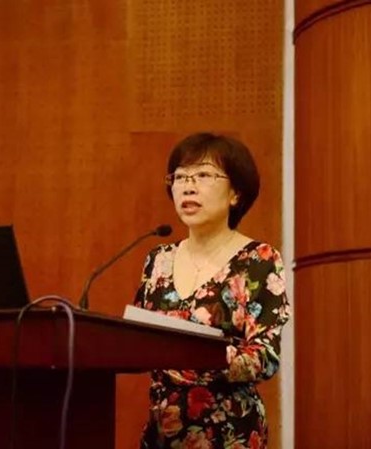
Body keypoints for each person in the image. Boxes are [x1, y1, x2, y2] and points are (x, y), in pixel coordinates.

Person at [134, 132, 291, 449]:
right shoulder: (158, 260)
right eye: (180, 177)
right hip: (163, 430)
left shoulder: (259, 260)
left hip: (228, 430)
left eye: (203, 175)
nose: (188, 186)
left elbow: (266, 356)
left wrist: (200, 355)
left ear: (235, 193)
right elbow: (137, 338)